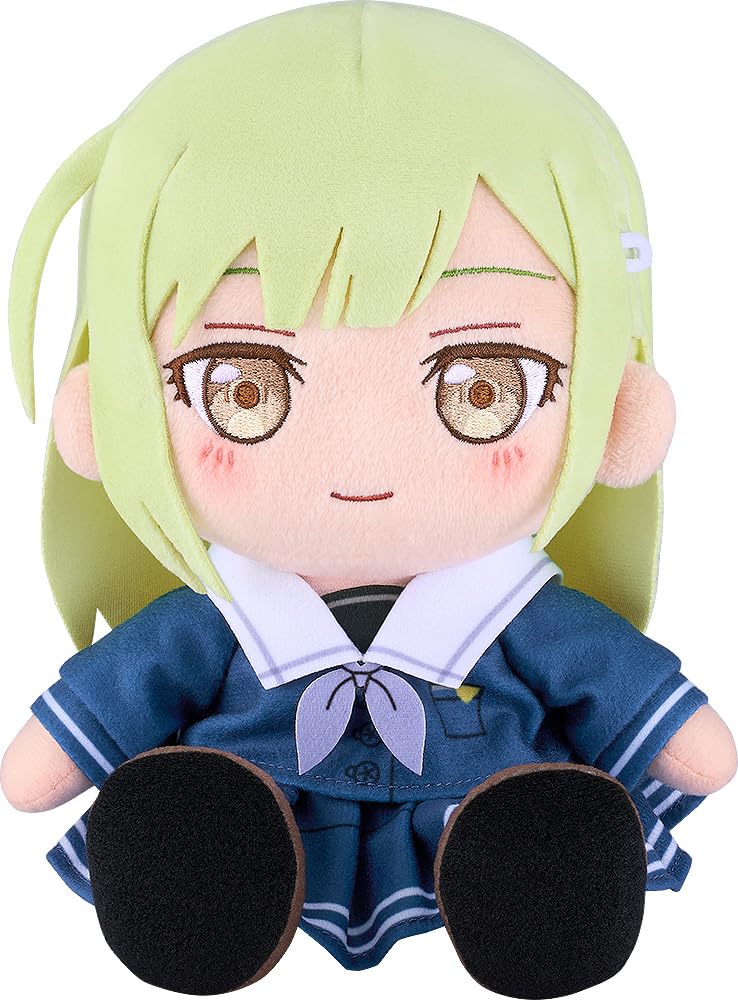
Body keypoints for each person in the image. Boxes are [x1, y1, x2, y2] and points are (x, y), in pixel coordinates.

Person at [2, 4, 735, 998]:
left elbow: (678, 738)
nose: (361, 459)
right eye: (244, 387)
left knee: (539, 842)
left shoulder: (526, 619)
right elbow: (58, 751)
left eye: (484, 388)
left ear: (618, 413)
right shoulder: (210, 620)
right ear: (109, 412)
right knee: (192, 836)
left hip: (489, 813)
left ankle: (533, 868)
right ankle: (204, 868)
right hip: (245, 818)